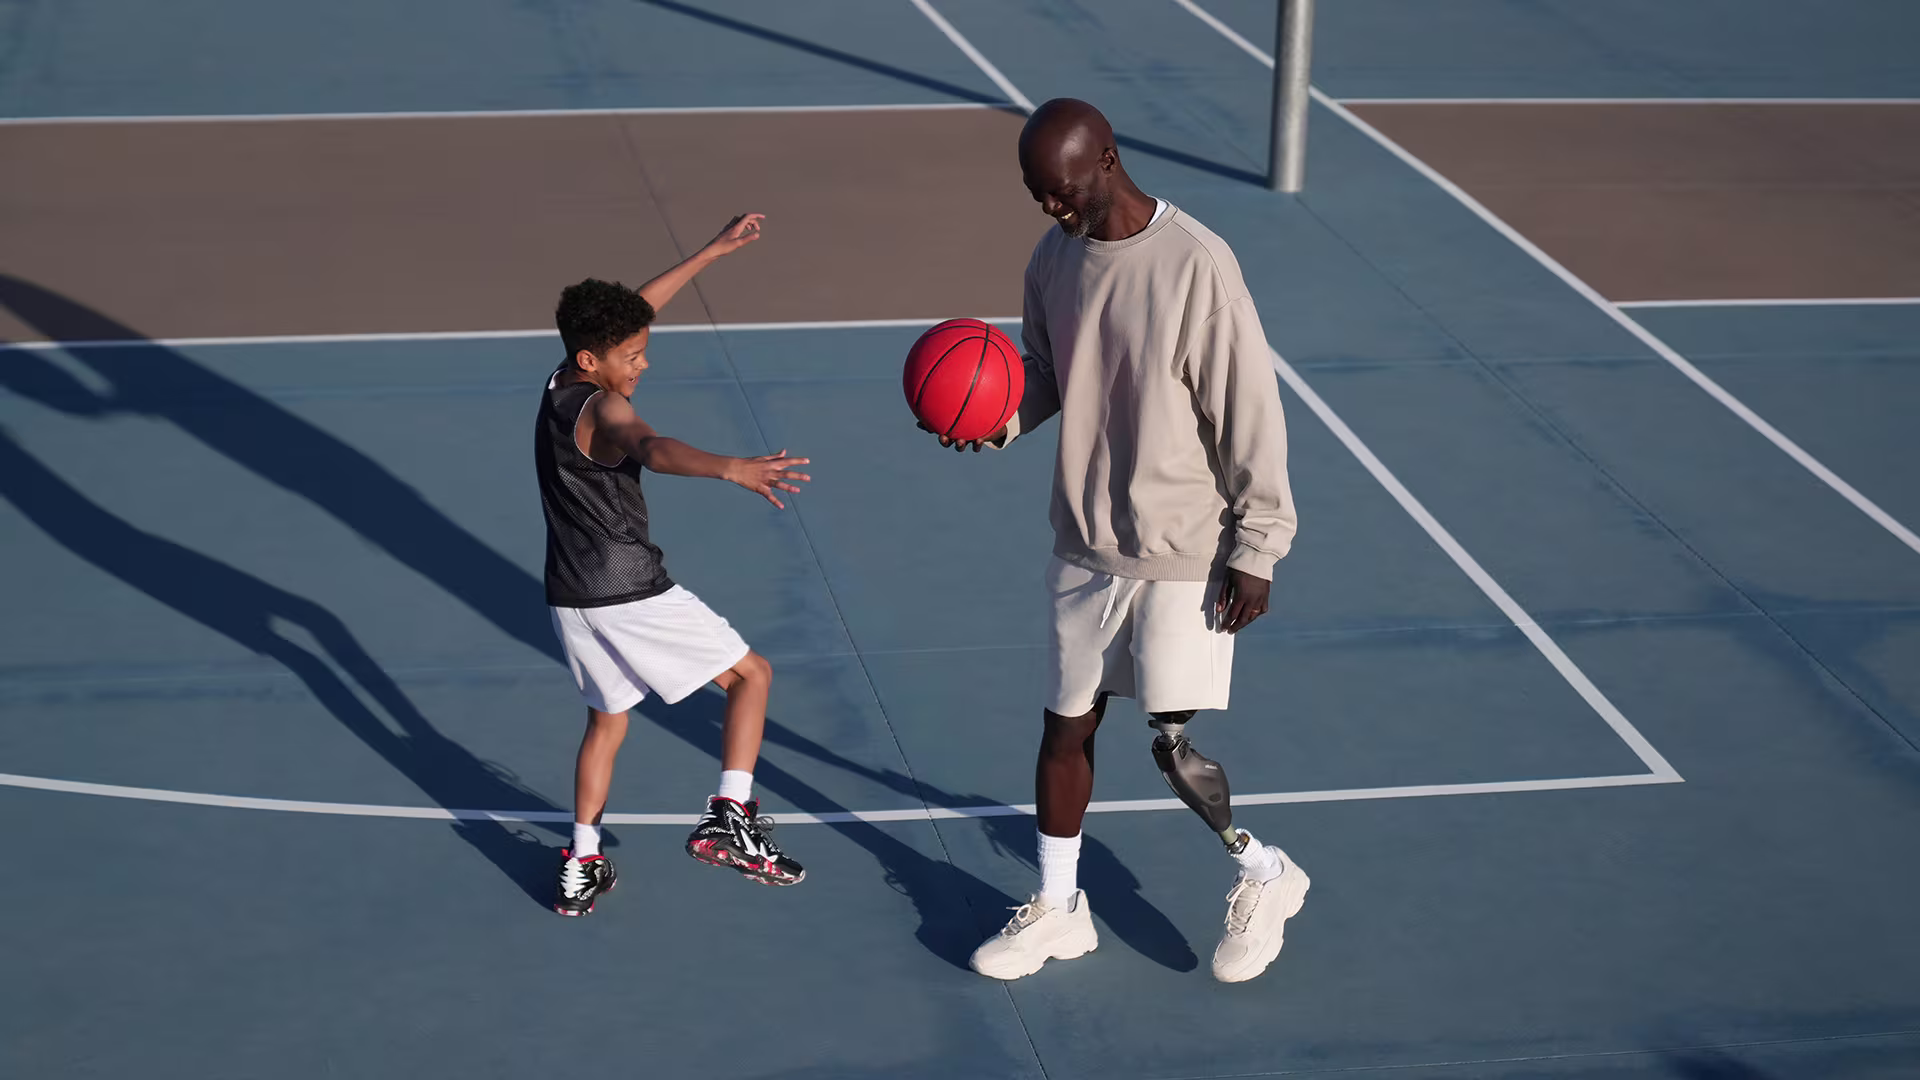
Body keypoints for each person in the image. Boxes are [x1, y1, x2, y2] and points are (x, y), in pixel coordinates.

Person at [941, 100, 1307, 981]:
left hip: (1183, 545)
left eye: (1061, 192)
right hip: (1084, 542)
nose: (1051, 210)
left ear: (1106, 159)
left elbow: (1249, 411)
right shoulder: (1053, 260)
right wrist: (989, 418)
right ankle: (1061, 909)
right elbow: (1047, 377)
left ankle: (1266, 871)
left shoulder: (1197, 266)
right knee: (1064, 730)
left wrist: (1258, 548)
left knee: (1169, 745)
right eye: (1037, 196)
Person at [539, 214, 812, 916]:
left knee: (607, 723)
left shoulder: (561, 380)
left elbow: (638, 307)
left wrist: (711, 253)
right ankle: (731, 816)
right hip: (628, 591)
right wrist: (733, 469)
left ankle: (582, 860)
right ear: (594, 362)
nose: (644, 364)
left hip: (569, 596)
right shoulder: (605, 409)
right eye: (632, 355)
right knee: (752, 676)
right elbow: (654, 448)